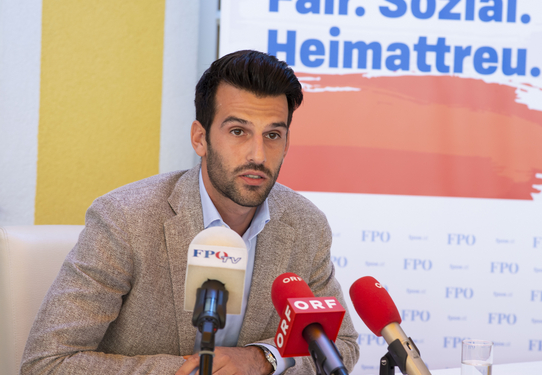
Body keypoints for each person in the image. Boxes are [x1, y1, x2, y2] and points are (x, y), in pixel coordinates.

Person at [21, 50, 359, 375]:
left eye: (272, 135)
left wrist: (262, 358)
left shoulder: (305, 225)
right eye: (238, 131)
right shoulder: (125, 219)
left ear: (286, 144)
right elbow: (48, 363)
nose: (258, 154)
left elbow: (340, 345)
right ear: (200, 138)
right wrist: (201, 370)